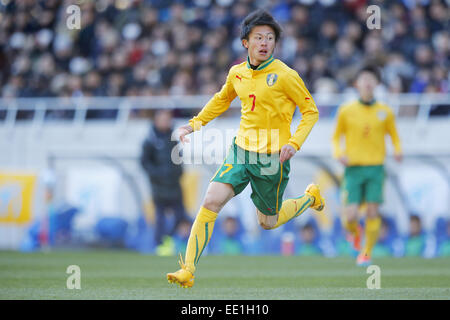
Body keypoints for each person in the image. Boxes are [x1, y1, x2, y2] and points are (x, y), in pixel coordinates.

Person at [167, 9, 325, 288]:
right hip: (241, 151)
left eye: (270, 38)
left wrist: (293, 143)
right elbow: (220, 100)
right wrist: (193, 125)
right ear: (245, 42)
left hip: (271, 159)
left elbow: (310, 111)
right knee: (210, 201)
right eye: (259, 37)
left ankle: (310, 198)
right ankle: (187, 270)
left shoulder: (286, 75)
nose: (264, 43)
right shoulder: (236, 73)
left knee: (268, 221)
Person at [332, 65, 402, 266]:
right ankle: (355, 234)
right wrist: (339, 154)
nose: (368, 82)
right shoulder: (346, 110)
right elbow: (336, 137)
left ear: (377, 83)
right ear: (357, 83)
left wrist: (397, 150)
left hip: (375, 168)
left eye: (371, 78)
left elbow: (394, 135)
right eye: (364, 78)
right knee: (350, 216)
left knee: (373, 211)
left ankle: (366, 252)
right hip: (353, 169)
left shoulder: (385, 111)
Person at [140, 109, 188, 250]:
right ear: (156, 121)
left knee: (180, 216)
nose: (166, 122)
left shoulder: (174, 139)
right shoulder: (150, 140)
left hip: (174, 186)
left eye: (168, 120)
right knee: (160, 219)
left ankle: (174, 242)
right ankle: (159, 245)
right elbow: (144, 162)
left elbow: (178, 160)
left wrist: (177, 173)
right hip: (159, 187)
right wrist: (158, 174)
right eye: (163, 119)